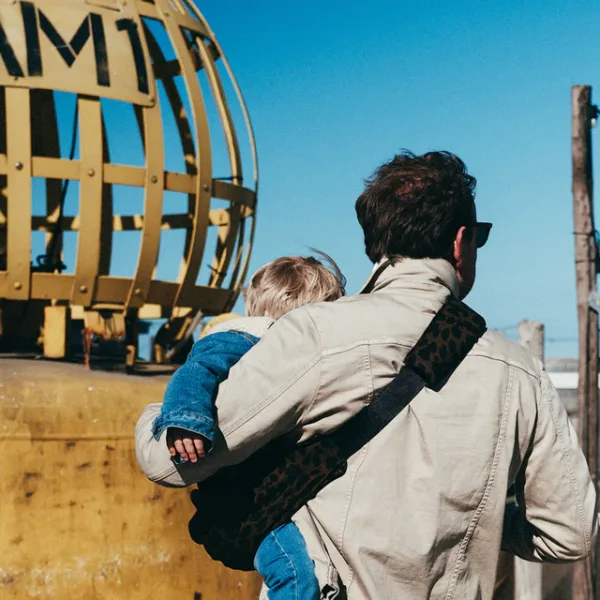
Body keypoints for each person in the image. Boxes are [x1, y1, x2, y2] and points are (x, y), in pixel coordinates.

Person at [137, 151, 597, 600]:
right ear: (461, 243)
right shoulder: (521, 371)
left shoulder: (316, 334)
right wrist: (477, 518)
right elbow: (569, 533)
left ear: (375, 242)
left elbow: (169, 463)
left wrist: (155, 413)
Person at [136, 252, 346, 600]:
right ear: (307, 315)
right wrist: (187, 422)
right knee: (294, 573)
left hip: (263, 493)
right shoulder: (240, 341)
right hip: (246, 502)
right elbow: (194, 372)